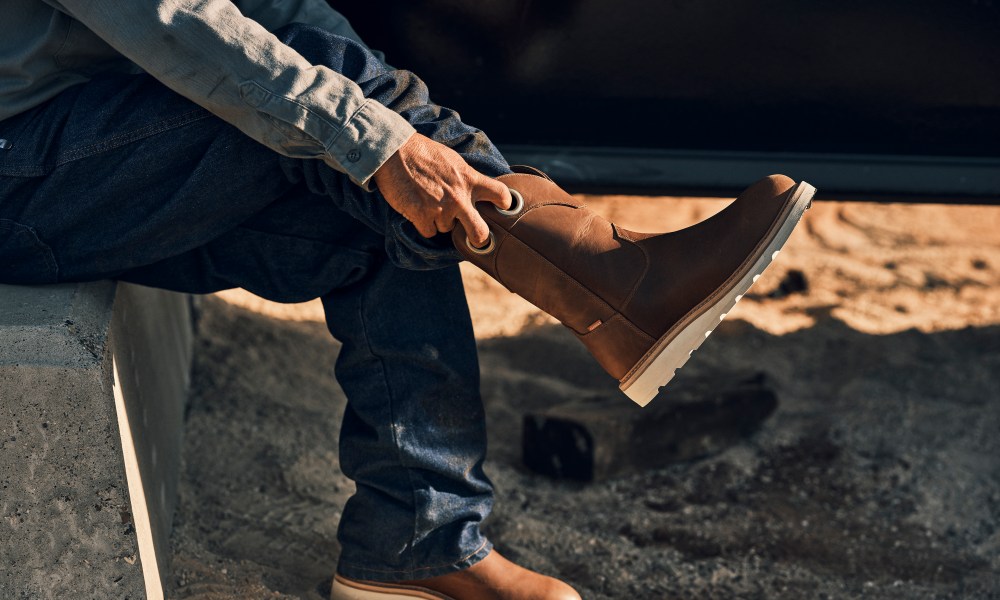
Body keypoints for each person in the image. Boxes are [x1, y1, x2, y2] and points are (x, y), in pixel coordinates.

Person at [0, 1, 814, 598]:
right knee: (329, 137)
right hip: (16, 166)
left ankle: (416, 541)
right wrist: (379, 140)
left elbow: (272, 9)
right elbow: (176, 19)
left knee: (373, 186)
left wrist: (395, 124)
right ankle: (605, 278)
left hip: (67, 125)